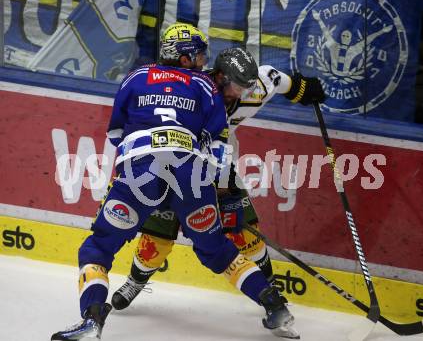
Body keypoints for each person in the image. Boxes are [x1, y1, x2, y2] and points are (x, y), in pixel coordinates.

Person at [51, 23, 301, 341]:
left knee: (98, 247)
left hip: (142, 171)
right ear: (184, 58)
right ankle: (274, 306)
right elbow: (219, 146)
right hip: (192, 174)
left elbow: (115, 134)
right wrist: (217, 194)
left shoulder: (135, 77)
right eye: (198, 55)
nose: (202, 61)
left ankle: (91, 321)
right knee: (217, 251)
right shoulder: (205, 85)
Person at [111, 44, 325, 317]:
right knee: (157, 238)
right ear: (222, 77)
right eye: (239, 86)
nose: (245, 93)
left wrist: (302, 89)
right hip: (171, 164)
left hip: (219, 164)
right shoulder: (194, 92)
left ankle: (270, 287)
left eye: (247, 87)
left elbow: (272, 76)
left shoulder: (250, 87)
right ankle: (135, 281)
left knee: (245, 231)